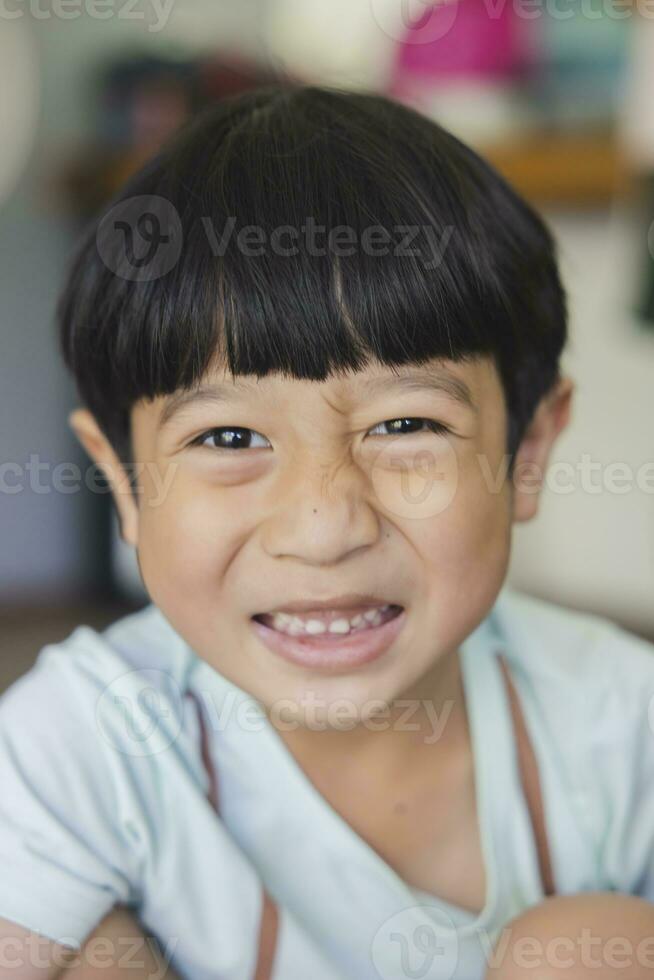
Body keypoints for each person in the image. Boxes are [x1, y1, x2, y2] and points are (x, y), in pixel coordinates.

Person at [1, 84, 653, 980]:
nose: (323, 525)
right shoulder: (80, 746)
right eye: (227, 438)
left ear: (527, 450)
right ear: (123, 480)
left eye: (406, 426)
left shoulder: (623, 726)